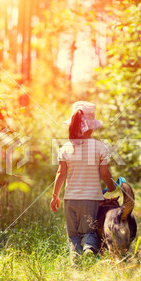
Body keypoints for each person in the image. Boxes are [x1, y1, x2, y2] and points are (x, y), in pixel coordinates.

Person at [50, 101, 116, 260]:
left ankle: (75, 262)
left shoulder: (66, 148)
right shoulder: (100, 147)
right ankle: (88, 248)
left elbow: (61, 173)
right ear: (92, 127)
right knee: (88, 230)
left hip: (71, 198)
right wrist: (111, 186)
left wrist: (55, 196)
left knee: (73, 234)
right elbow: (105, 173)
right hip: (91, 198)